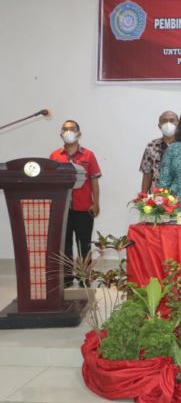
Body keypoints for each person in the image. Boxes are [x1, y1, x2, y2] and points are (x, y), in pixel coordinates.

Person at [49, 120, 101, 285]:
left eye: (72, 129)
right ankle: (66, 278)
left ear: (79, 133)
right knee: (65, 244)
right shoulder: (54, 156)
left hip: (84, 207)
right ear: (60, 133)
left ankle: (84, 277)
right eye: (65, 129)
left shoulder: (88, 155)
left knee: (84, 244)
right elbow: (51, 182)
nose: (68, 131)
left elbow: (94, 181)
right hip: (62, 207)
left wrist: (96, 203)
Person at [139, 110, 178, 193]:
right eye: (164, 121)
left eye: (172, 120)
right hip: (157, 196)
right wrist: (143, 196)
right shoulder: (151, 146)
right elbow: (147, 174)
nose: (168, 124)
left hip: (179, 195)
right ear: (159, 126)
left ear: (178, 124)